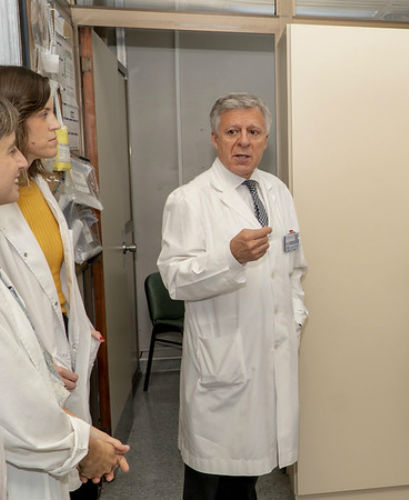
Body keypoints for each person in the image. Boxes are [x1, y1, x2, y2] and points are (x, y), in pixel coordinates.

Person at [157, 93, 308, 500]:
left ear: (265, 140)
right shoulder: (189, 199)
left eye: (253, 132)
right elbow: (175, 279)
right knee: (210, 481)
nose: (244, 141)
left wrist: (294, 319)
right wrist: (230, 257)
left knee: (247, 480)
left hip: (270, 355)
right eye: (232, 132)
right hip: (221, 363)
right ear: (215, 138)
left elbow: (294, 267)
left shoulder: (277, 191)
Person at [0, 96, 129, 499]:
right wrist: (84, 447)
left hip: (46, 395)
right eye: (10, 150)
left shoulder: (37, 187)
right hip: (30, 432)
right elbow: (14, 399)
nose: (21, 162)